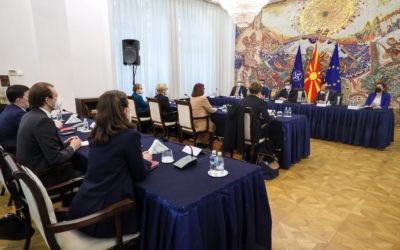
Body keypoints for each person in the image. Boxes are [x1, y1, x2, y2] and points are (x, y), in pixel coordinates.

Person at [68, 90, 152, 237]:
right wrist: (146, 160)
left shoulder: (97, 132)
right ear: (125, 110)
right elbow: (139, 174)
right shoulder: (129, 135)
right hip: (105, 217)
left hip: (82, 207)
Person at [16, 82, 82, 187]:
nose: (58, 99)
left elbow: (41, 146)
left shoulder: (29, 115)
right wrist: (73, 147)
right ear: (47, 100)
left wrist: (64, 145)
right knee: (84, 168)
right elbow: (56, 159)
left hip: (30, 171)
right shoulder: (42, 121)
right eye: (56, 96)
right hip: (42, 176)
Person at [0, 85, 30, 149]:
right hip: (14, 150)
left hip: (6, 147)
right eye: (28, 96)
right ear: (19, 100)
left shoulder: (8, 108)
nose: (32, 98)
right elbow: (34, 132)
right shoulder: (19, 114)